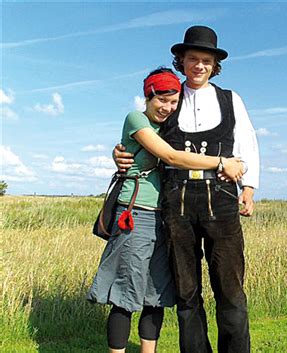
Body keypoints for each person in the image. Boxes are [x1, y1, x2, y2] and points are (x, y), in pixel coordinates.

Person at [114, 26, 259, 353]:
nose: (199, 66)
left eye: (206, 60)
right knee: (186, 292)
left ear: (214, 64)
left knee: (230, 288)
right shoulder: (168, 97)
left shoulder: (231, 98)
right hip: (176, 204)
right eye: (193, 58)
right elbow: (141, 135)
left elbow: (248, 142)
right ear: (181, 60)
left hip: (221, 201)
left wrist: (248, 188)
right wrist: (119, 152)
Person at [87, 67, 244, 353]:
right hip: (135, 213)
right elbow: (171, 156)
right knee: (125, 292)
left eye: (173, 102)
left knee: (155, 295)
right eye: (161, 100)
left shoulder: (169, 125)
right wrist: (222, 162)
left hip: (164, 216)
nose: (167, 107)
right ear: (148, 96)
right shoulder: (136, 118)